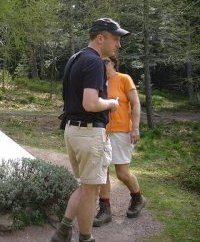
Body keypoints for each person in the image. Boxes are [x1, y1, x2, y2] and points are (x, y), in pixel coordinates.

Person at [51, 18, 130, 242]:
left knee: (85, 186)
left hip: (73, 131)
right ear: (100, 38)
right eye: (115, 39)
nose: (118, 45)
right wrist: (112, 103)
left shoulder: (75, 59)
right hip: (89, 134)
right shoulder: (95, 62)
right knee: (91, 191)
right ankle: (86, 238)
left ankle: (63, 230)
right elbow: (90, 103)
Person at [92, 55, 147, 227]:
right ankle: (105, 209)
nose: (103, 64)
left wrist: (135, 128)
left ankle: (138, 198)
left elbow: (136, 104)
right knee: (103, 173)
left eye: (106, 61)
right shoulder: (96, 82)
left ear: (114, 63)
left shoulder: (124, 79)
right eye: (100, 62)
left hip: (121, 132)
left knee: (122, 173)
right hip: (100, 131)